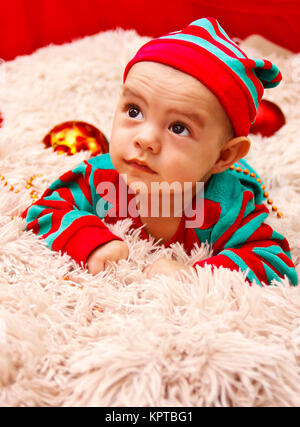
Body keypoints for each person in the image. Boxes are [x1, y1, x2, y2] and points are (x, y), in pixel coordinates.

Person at [22, 17, 298, 286]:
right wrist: (92, 243)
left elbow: (272, 260)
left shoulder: (225, 205)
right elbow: (47, 208)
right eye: (134, 111)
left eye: (179, 128)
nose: (145, 139)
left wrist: (194, 276)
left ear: (223, 156)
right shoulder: (101, 177)